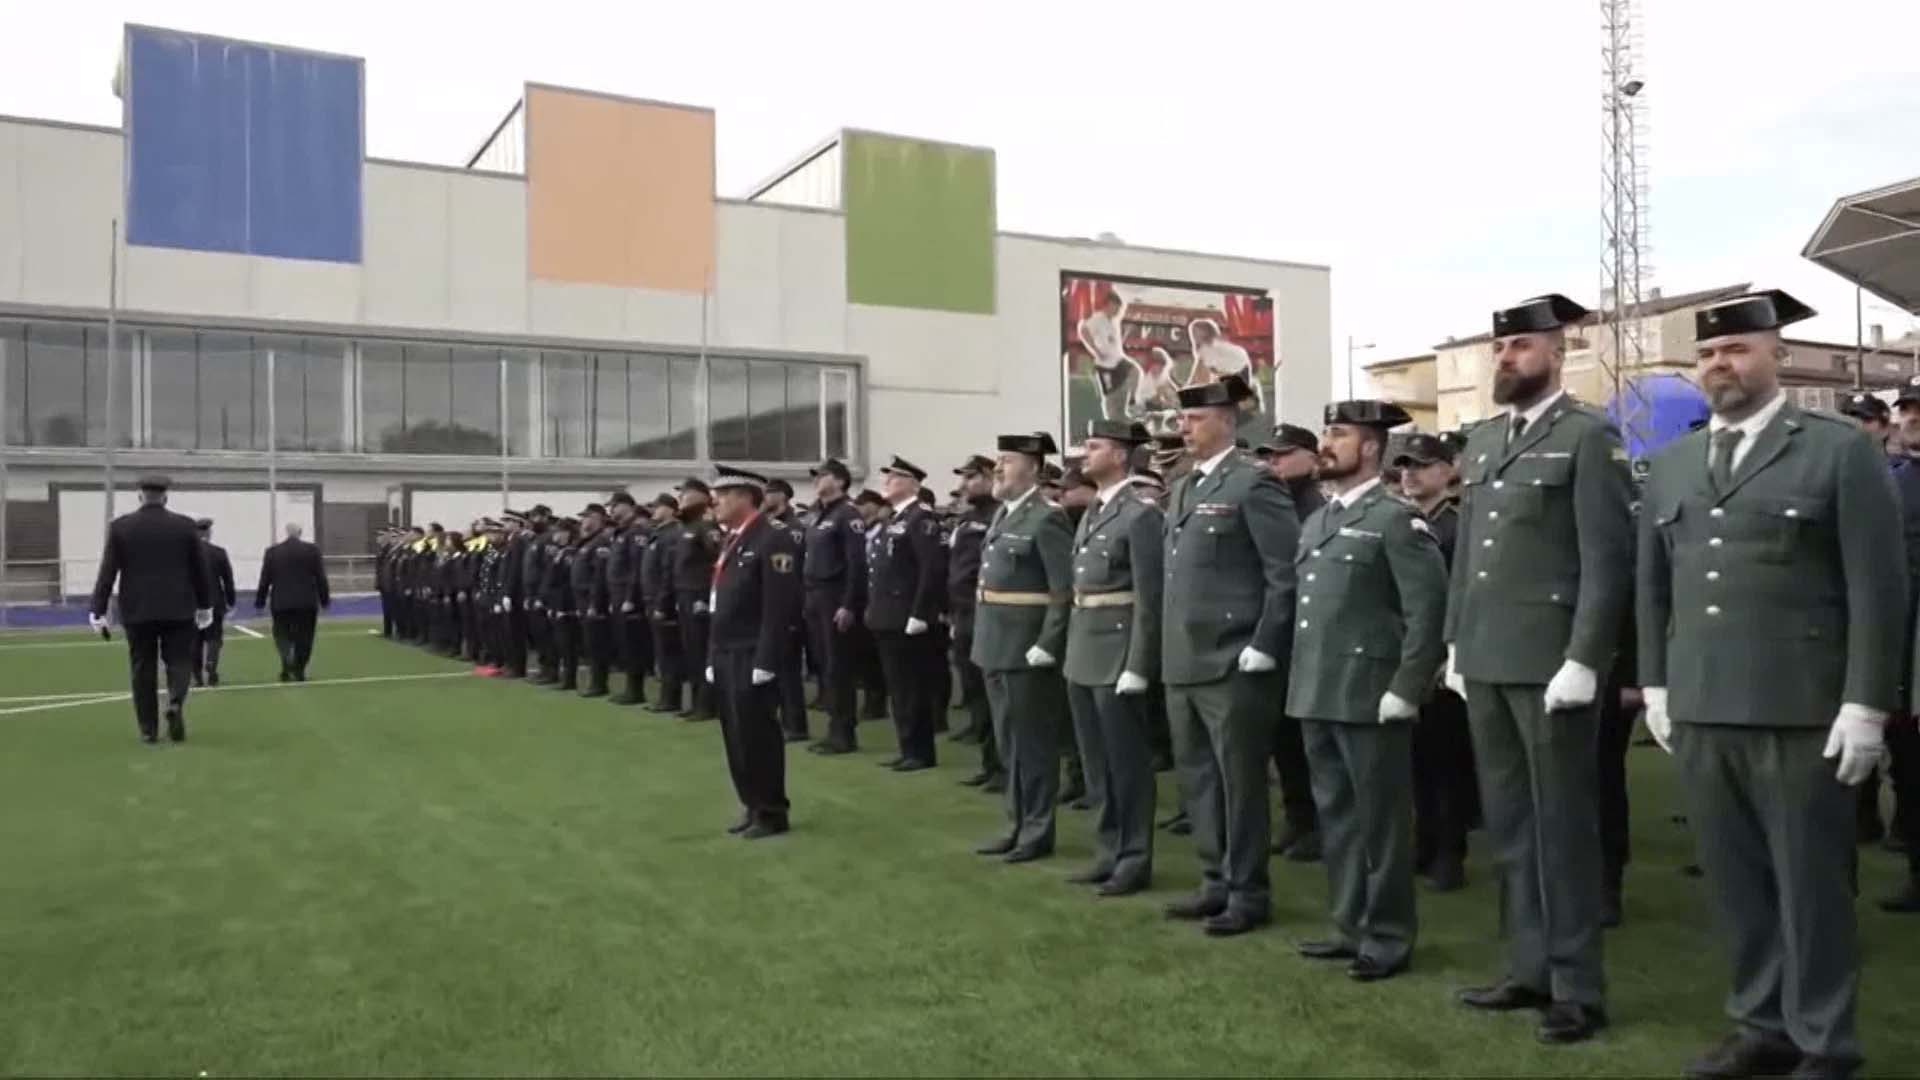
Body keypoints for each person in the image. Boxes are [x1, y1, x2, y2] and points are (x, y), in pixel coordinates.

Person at [1639, 290, 1902, 1080]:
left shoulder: (1836, 450)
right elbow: (1653, 587)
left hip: (1799, 704)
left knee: (1809, 883)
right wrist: (1656, 684)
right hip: (1702, 701)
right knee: (1736, 881)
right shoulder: (1674, 462)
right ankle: (1761, 1025)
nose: (1721, 364)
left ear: (1776, 356)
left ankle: (1824, 1040)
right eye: (1708, 354)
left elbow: (1877, 588)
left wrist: (1866, 703)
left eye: (1737, 349)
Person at [1446, 293, 1632, 1045]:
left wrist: (1585, 657)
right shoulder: (1484, 440)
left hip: (1551, 662)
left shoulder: (1587, 435)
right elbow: (1468, 555)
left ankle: (1577, 987)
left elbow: (1606, 560)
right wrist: (1455, 642)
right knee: (1510, 824)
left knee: (1562, 827)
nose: (1506, 357)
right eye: (1500, 347)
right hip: (1487, 657)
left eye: (1520, 345)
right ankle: (1527, 967)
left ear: (1558, 352)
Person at [1289, 401, 1448, 982]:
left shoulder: (1394, 519)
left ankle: (1387, 934)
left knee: (1380, 821)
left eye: (1339, 434)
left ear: (1373, 447)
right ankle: (1349, 924)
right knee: (1337, 816)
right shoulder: (1319, 520)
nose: (1326, 443)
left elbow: (1428, 609)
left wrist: (1408, 686)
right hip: (1319, 688)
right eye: (1326, 431)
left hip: (1371, 693)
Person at [1161, 376, 1300, 936]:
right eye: (1182, 419)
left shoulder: (1253, 483)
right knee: (1198, 779)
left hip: (1232, 659)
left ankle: (1248, 891)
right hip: (1185, 658)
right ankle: (1215, 880)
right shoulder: (1183, 487)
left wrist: (1264, 644)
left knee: (1240, 783)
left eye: (1194, 418)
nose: (1184, 428)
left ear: (1226, 419)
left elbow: (1284, 574)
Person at [1063, 419, 1164, 895]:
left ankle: (1134, 857)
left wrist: (1139, 664)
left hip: (1118, 652)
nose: (1086, 454)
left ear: (1121, 455)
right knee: (1097, 763)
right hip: (1085, 649)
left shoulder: (1140, 515)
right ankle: (1108, 850)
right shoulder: (1095, 510)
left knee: (1126, 764)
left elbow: (1150, 597)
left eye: (1095, 446)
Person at [971, 433, 1075, 863]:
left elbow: (1063, 589)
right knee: (1008, 743)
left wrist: (1048, 642)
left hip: (1026, 648)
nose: (998, 467)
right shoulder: (1005, 513)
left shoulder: (1046, 518)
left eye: (1008, 460)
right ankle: (1016, 823)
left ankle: (1036, 829)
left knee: (1031, 745)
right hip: (995, 644)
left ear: (1032, 468)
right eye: (998, 460)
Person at [1393, 433, 1478, 893]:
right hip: (1410, 654)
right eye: (1405, 466)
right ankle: (1425, 844)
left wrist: (1452, 653)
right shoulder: (1406, 522)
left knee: (1448, 762)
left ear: (1448, 471)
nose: (1409, 474)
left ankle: (1449, 853)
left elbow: (1463, 595)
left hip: (1445, 661)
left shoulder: (1458, 526)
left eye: (1421, 465)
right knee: (1416, 760)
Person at [705, 466, 805, 839]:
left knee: (758, 735)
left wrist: (766, 659)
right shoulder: (733, 538)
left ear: (746, 497)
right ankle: (751, 803)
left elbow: (778, 606)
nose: (716, 503)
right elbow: (719, 602)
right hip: (727, 650)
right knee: (735, 734)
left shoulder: (772, 537)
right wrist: (712, 655)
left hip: (752, 652)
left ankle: (772, 810)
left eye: (723, 496)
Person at [88, 475, 213, 744]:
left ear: (140, 496)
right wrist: (205, 605)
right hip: (178, 607)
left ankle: (148, 729)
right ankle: (175, 702)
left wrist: (98, 608)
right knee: (179, 661)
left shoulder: (121, 527)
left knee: (142, 667)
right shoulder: (185, 526)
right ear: (165, 497)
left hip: (138, 609)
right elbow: (200, 570)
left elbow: (108, 571)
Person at [1255, 423, 1328, 863]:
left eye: (1283, 454)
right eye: (1269, 455)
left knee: (1308, 741)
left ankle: (1317, 824)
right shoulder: (1276, 500)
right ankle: (1298, 818)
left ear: (1311, 458)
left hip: (1311, 636)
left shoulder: (1316, 506)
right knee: (1284, 738)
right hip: (1282, 637)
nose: (1274, 462)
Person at [865, 457, 947, 772]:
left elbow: (931, 568)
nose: (887, 483)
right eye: (887, 478)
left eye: (896, 478)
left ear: (913, 484)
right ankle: (907, 746)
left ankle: (920, 751)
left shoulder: (921, 518)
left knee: (911, 687)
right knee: (898, 687)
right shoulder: (896, 518)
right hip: (887, 614)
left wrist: (921, 612)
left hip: (907, 615)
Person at [802, 459, 869, 755]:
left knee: (838, 666)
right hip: (814, 595)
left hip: (834, 595)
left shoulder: (847, 514)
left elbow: (857, 564)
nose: (817, 480)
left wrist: (849, 604)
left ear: (840, 481)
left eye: (823, 475)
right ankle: (833, 728)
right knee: (823, 664)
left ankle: (843, 733)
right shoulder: (818, 513)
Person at [948, 455, 1003, 788]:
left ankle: (1004, 767)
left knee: (995, 696)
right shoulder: (967, 520)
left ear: (988, 477)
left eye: (971, 478)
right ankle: (990, 764)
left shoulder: (1000, 515)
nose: (964, 485)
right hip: (964, 616)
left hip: (988, 613)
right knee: (975, 694)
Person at [763, 478, 811, 741]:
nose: (764, 497)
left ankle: (795, 725)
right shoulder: (769, 525)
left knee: (788, 669)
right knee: (773, 666)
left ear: (782, 496)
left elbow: (793, 572)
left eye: (769, 493)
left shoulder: (793, 528)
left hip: (789, 604)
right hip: (771, 604)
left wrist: (793, 607)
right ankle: (781, 720)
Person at [672, 481, 723, 721]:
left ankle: (707, 705)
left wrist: (705, 597)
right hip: (684, 594)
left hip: (698, 596)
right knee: (691, 651)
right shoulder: (686, 526)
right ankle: (696, 702)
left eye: (685, 494)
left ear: (700, 497)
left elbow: (718, 562)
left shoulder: (706, 526)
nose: (681, 498)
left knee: (702, 652)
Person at [256, 522, 331, 683]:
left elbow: (265, 579)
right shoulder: (312, 550)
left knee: (281, 634)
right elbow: (320, 577)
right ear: (300, 532)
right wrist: (325, 600)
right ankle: (299, 669)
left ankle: (287, 658)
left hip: (281, 602)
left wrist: (260, 601)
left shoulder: (272, 552)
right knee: (305, 637)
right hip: (306, 602)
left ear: (287, 532)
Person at [604, 493, 651, 706]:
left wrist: (631, 597)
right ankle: (630, 688)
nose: (611, 510)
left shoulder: (636, 532)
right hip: (617, 595)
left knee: (633, 644)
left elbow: (636, 567)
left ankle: (635, 690)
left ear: (626, 506)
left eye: (614, 506)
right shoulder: (621, 532)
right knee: (624, 643)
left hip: (628, 596)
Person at [641, 494, 686, 711]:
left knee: (669, 652)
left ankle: (671, 698)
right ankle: (666, 697)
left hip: (663, 602)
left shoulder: (672, 534)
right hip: (652, 598)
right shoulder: (658, 533)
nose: (654, 511)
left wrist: (662, 603)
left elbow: (668, 573)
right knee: (662, 651)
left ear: (669, 509)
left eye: (658, 507)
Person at [1079, 291, 1139, 421]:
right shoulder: (1098, 319)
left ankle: (1131, 402)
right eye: (1117, 308)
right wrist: (1095, 351)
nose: (1118, 312)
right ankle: (1112, 419)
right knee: (1112, 395)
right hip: (1105, 365)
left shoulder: (1114, 321)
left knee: (1134, 372)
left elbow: (1112, 341)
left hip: (1118, 360)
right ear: (1109, 305)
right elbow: (1083, 330)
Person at [191, 518, 236, 687]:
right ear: (208, 533)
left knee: (195, 640)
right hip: (214, 602)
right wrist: (231, 600)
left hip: (193, 603)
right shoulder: (219, 552)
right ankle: (211, 663)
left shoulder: (186, 553)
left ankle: (197, 676)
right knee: (214, 637)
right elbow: (228, 579)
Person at [541, 518, 581, 690]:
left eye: (558, 531)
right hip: (555, 604)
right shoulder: (559, 552)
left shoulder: (570, 554)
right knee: (559, 643)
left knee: (568, 645)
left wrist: (562, 608)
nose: (554, 535)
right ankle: (561, 676)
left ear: (566, 533)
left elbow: (567, 583)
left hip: (565, 606)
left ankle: (569, 679)